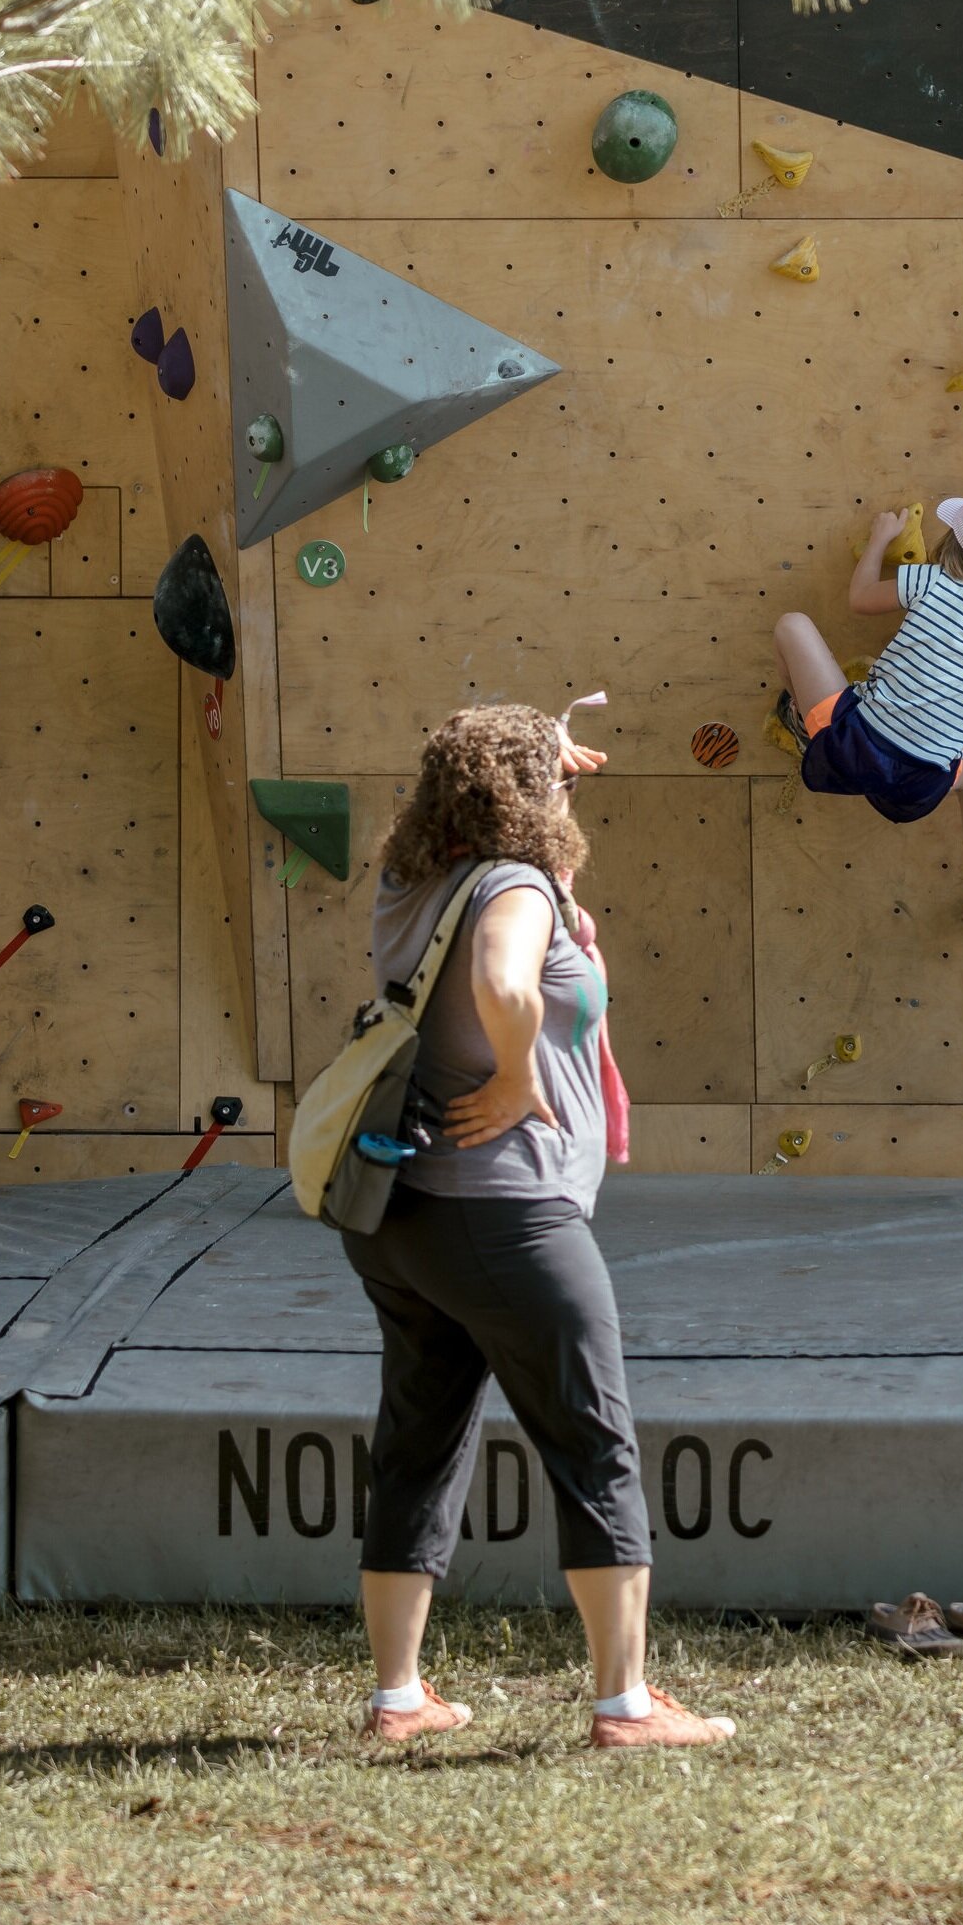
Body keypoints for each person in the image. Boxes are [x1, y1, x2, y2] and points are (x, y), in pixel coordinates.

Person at [346, 702, 733, 1754]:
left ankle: (399, 1699)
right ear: (531, 799)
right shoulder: (513, 889)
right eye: (553, 782)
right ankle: (626, 1705)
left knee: (418, 1444)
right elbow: (505, 979)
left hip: (399, 1214)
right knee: (593, 1439)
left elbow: (501, 887)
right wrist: (518, 1074)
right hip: (503, 1210)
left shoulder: (415, 877)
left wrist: (541, 753)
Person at [773, 486, 963, 935]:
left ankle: (803, 723)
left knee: (791, 625)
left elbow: (859, 599)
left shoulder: (934, 579)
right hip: (917, 789)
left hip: (850, 748)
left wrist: (880, 537)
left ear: (954, 544)